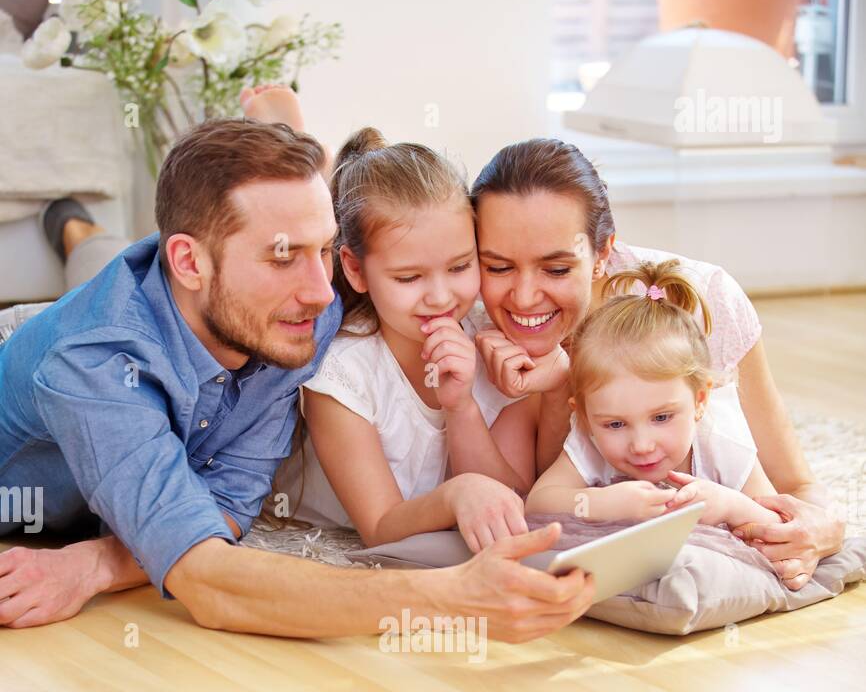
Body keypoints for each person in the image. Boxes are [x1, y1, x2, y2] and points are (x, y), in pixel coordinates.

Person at [0, 116, 593, 639]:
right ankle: (80, 237)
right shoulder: (96, 366)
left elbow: (227, 505)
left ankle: (77, 232)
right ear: (188, 261)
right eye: (282, 257)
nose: (318, 295)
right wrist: (453, 599)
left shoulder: (293, 316)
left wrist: (101, 562)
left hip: (137, 414)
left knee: (103, 259)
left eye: (325, 251)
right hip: (35, 465)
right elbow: (211, 582)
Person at [470, 139, 845, 590]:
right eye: (498, 267)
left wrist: (823, 530)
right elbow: (533, 502)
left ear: (603, 252)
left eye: (555, 269)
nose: (525, 297)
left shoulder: (706, 302)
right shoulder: (461, 316)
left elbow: (794, 486)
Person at [279, 127, 531, 553]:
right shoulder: (342, 372)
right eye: (409, 277)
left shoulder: (492, 335)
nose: (440, 296)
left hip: (440, 551)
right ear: (356, 270)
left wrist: (461, 406)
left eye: (459, 266)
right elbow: (378, 527)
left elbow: (513, 504)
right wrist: (458, 494)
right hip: (322, 538)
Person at [526, 258, 791, 547]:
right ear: (585, 417)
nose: (642, 445)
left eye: (662, 418)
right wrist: (599, 503)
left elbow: (777, 523)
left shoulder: (720, 442)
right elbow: (538, 503)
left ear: (700, 400)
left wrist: (730, 505)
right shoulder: (590, 439)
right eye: (615, 424)